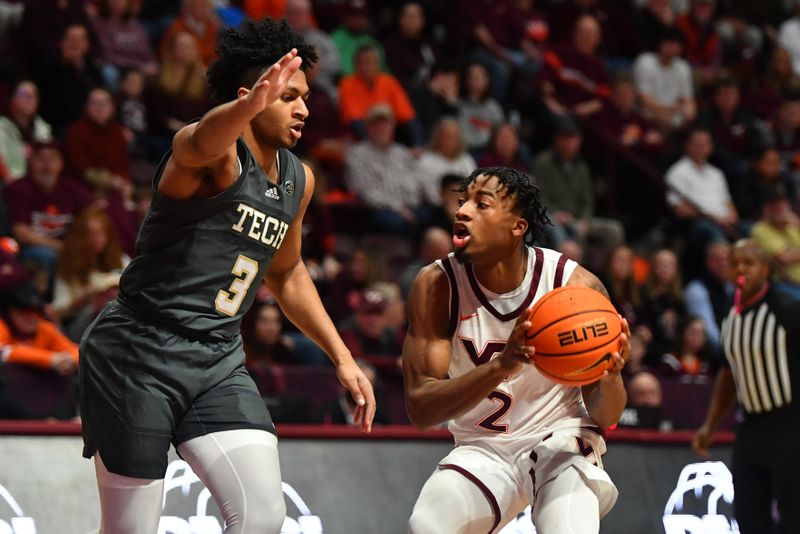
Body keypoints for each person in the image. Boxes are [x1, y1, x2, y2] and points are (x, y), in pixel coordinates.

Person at [78, 19, 376, 534]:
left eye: (306, 97)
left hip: (217, 357)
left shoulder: (298, 179)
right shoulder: (211, 156)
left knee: (263, 517)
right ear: (252, 97)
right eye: (289, 97)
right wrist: (245, 110)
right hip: (137, 352)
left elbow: (287, 273)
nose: (304, 109)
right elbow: (198, 139)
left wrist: (343, 358)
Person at [404, 166, 631, 533]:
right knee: (427, 525)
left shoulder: (573, 286)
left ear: (517, 227)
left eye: (482, 204)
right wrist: (499, 367)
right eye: (462, 202)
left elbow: (606, 415)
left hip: (560, 441)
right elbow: (420, 409)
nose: (462, 211)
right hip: (482, 448)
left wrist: (613, 373)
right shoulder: (436, 286)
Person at [692, 239, 800, 533]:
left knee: (794, 515)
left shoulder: (786, 310)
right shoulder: (731, 315)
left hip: (790, 424)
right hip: (750, 428)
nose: (741, 268)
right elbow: (729, 373)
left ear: (765, 268)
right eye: (734, 263)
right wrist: (711, 424)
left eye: (748, 263)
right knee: (749, 517)